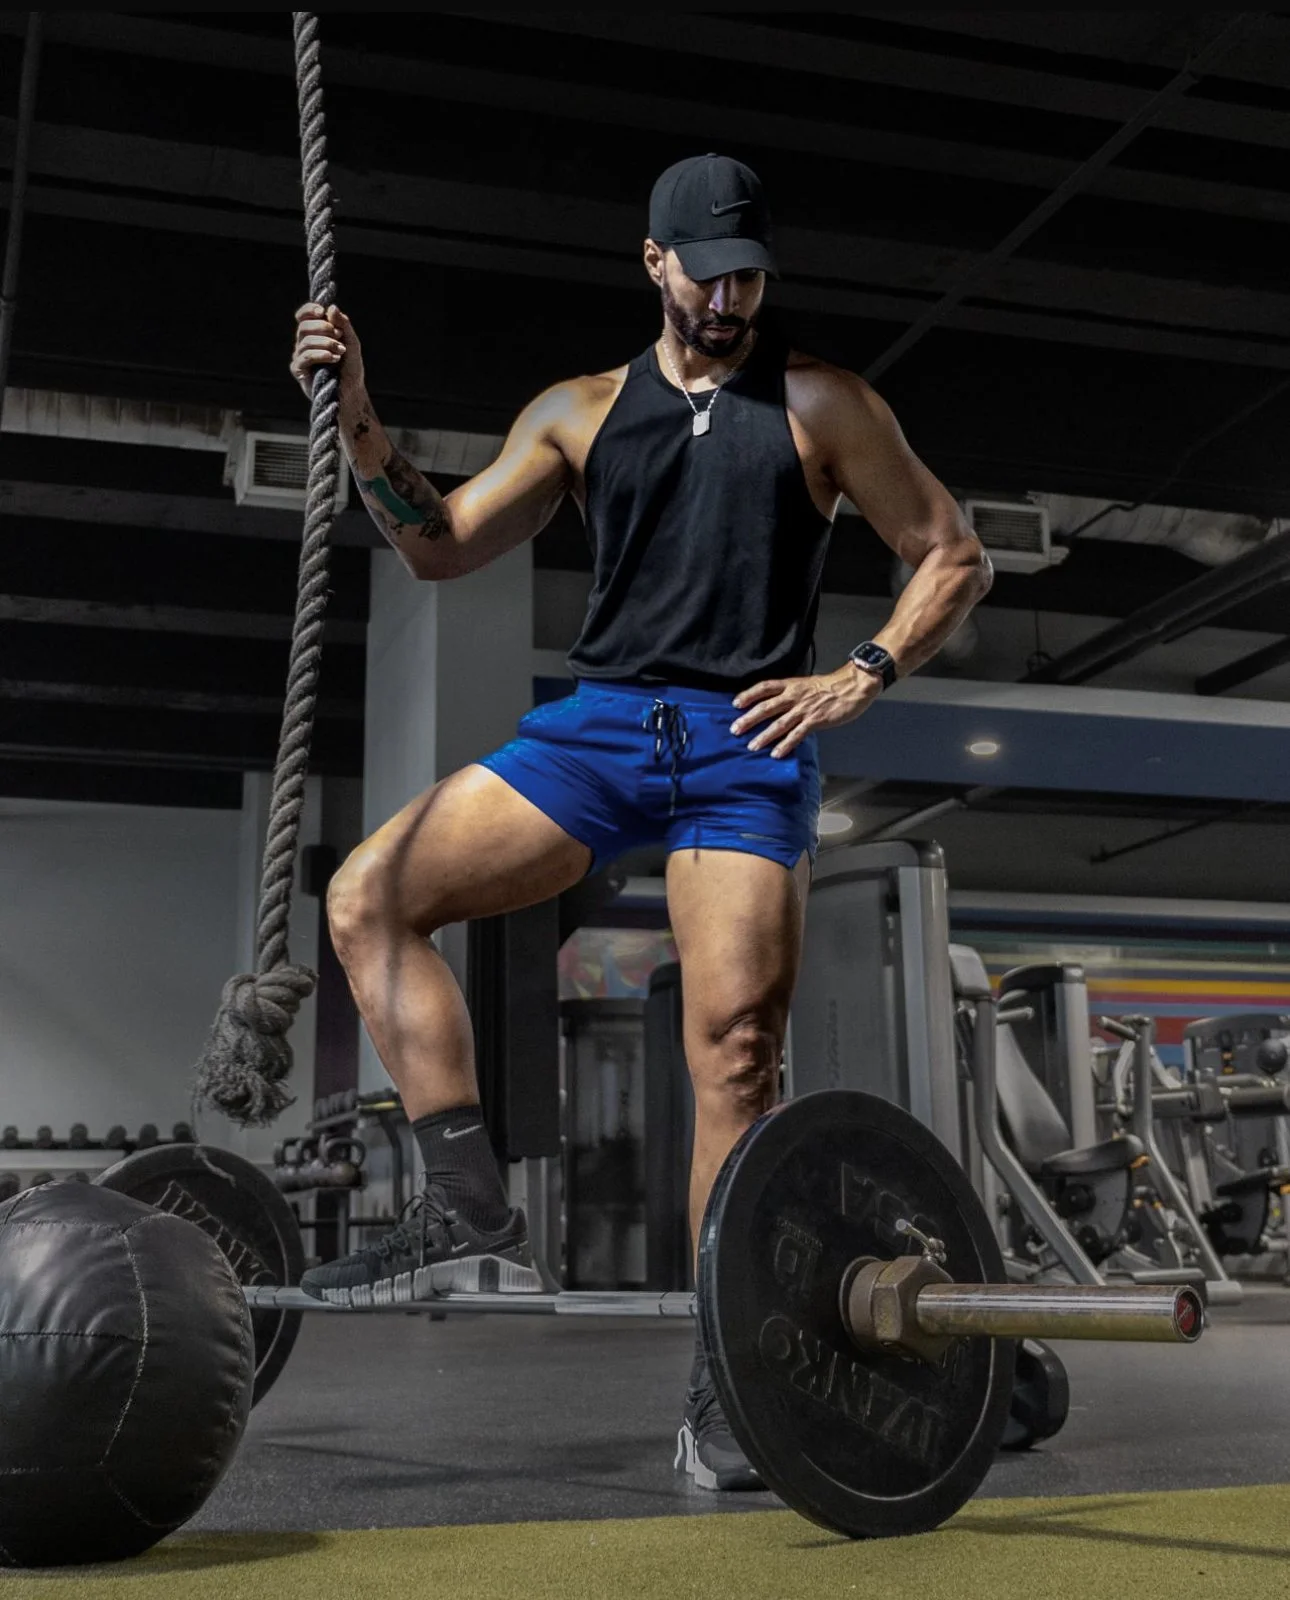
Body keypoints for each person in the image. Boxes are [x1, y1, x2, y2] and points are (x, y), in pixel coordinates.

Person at [288, 153, 991, 1492]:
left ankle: (729, 1380)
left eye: (750, 272)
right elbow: (436, 544)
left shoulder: (822, 403)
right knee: (365, 895)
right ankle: (465, 1196)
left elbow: (952, 552)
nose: (730, 295)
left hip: (743, 745)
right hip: (602, 731)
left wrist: (864, 670)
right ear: (653, 262)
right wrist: (365, 420)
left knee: (732, 1061)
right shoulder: (578, 412)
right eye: (706, 270)